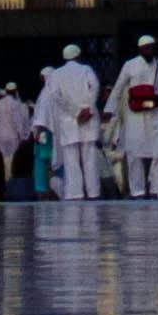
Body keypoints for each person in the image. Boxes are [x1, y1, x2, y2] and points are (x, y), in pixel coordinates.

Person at [103, 35, 158, 197]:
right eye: (146, 48)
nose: (149, 50)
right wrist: (109, 109)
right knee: (135, 154)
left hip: (156, 114)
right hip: (135, 115)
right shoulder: (130, 65)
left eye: (152, 47)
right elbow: (118, 87)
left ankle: (156, 189)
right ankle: (137, 190)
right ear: (140, 49)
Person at [42, 43, 101, 200]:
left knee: (71, 159)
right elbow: (95, 86)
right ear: (78, 55)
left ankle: (76, 193)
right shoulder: (86, 69)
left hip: (69, 121)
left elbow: (55, 95)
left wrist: (74, 112)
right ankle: (93, 192)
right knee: (89, 157)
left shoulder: (57, 74)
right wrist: (88, 108)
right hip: (88, 118)